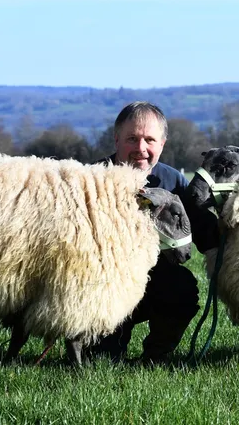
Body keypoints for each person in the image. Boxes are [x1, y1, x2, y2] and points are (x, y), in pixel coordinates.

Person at [90, 101, 200, 364]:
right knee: (103, 363)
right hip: (104, 284)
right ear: (116, 140)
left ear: (162, 143)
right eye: (132, 139)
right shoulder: (91, 179)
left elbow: (202, 230)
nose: (141, 149)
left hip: (156, 279)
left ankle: (155, 356)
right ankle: (108, 348)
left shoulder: (174, 182)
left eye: (149, 140)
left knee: (183, 287)